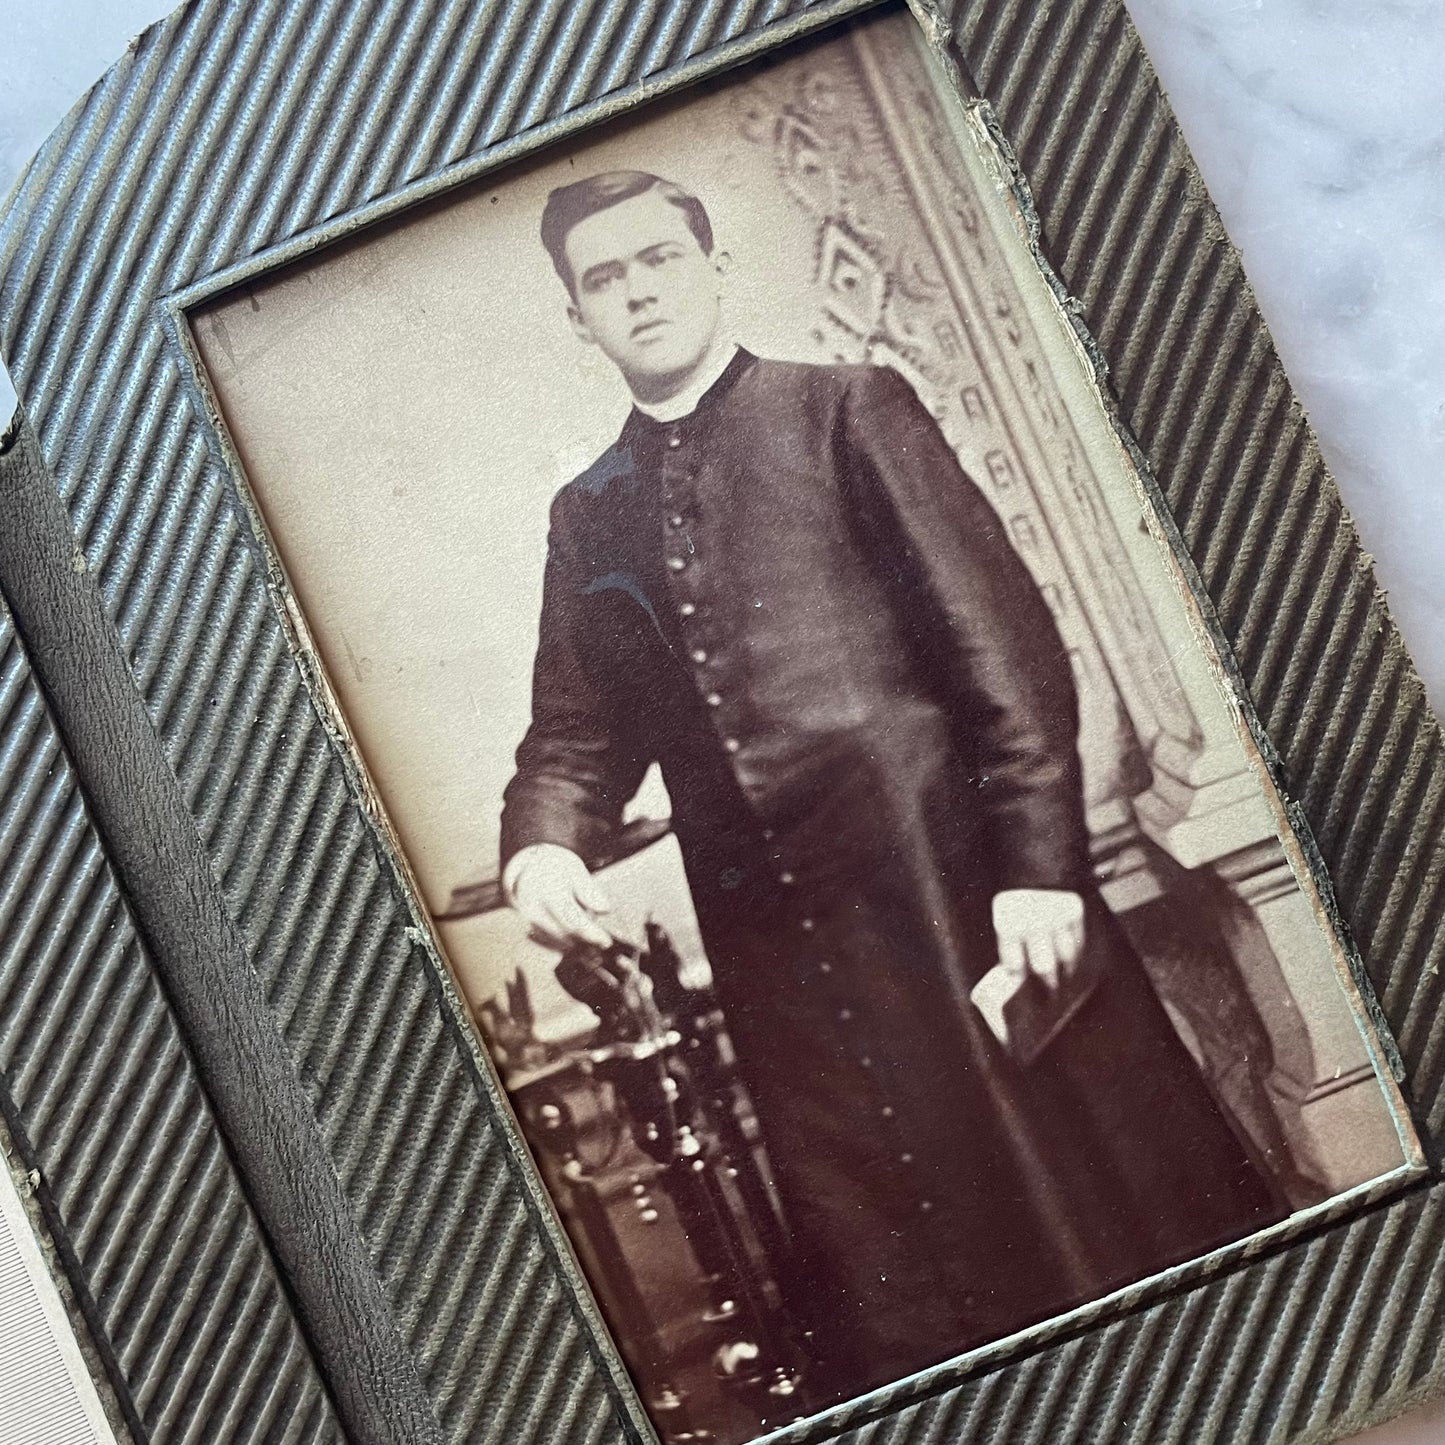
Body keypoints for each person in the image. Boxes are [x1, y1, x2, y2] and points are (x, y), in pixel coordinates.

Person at [500, 169, 1284, 1403]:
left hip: (956, 897)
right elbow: (572, 734)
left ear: (710, 266)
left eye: (658, 258)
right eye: (604, 278)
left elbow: (1008, 653)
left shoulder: (844, 410)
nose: (637, 290)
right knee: (905, 1284)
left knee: (1090, 1231)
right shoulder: (584, 514)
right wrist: (542, 849)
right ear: (576, 317)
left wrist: (1040, 871)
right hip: (784, 973)